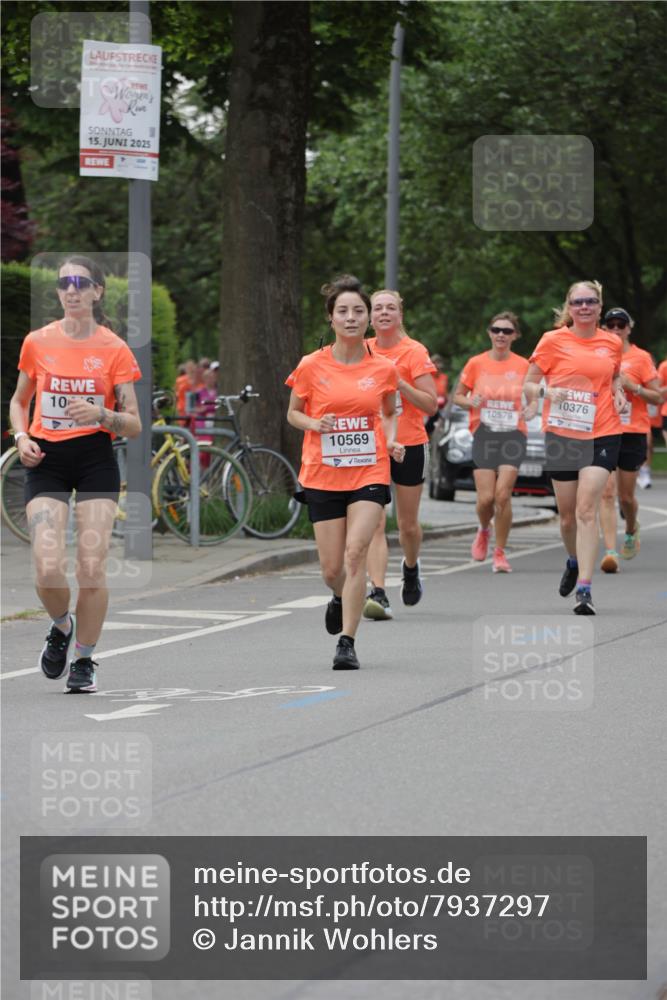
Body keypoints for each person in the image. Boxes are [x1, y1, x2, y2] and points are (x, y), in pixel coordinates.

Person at [8, 256, 142, 692]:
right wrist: (20, 435)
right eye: (64, 282)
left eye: (80, 282)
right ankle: (62, 626)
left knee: (91, 567)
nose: (71, 290)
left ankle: (84, 658)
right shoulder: (37, 341)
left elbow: (135, 423)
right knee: (47, 568)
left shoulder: (114, 348)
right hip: (46, 459)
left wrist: (102, 413)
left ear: (97, 292)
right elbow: (18, 399)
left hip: (94, 460)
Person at [286, 275, 405, 670]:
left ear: (369, 319)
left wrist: (390, 440)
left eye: (358, 311)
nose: (351, 318)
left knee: (357, 553)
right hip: (323, 473)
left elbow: (389, 412)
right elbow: (293, 412)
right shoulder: (310, 365)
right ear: (331, 319)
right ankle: (338, 596)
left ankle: (347, 641)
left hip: (370, 469)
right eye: (343, 312)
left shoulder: (385, 368)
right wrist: (314, 425)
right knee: (332, 568)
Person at [523, 281, 625, 615]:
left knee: (585, 509)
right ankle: (572, 560)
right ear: (569, 307)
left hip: (603, 431)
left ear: (599, 306)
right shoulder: (553, 341)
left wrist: (619, 392)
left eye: (591, 302)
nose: (584, 307)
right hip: (563, 435)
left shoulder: (611, 342)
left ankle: (584, 587)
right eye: (578, 302)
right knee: (566, 516)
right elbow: (528, 382)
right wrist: (544, 395)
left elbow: (613, 376)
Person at [362, 289, 437, 620]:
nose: (383, 313)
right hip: (371, 445)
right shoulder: (361, 349)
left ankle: (410, 566)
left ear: (400, 314)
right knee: (375, 523)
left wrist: (400, 383)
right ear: (370, 315)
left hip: (409, 443)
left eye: (390, 308)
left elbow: (430, 404)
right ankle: (378, 592)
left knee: (407, 525)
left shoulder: (414, 352)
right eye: (378, 308)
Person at [454, 312, 529, 573]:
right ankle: (484, 529)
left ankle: (500, 552)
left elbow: (535, 397)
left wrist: (531, 410)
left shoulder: (524, 365)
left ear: (515, 336)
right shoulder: (476, 363)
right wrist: (470, 401)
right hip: (484, 433)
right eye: (496, 329)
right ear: (489, 332)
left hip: (513, 434)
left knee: (502, 495)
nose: (501, 334)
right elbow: (458, 396)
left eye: (507, 331)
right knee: (486, 499)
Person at [597, 308, 660, 572]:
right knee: (606, 492)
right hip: (603, 429)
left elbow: (658, 398)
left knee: (625, 497)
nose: (614, 329)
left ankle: (631, 527)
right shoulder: (597, 354)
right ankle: (611, 551)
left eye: (620, 325)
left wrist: (632, 386)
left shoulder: (641, 358)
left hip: (632, 431)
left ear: (628, 328)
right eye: (609, 325)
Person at [424, 353, 448, 437]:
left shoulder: (444, 377)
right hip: (430, 406)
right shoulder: (428, 377)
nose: (438, 366)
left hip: (442, 407)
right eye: (435, 363)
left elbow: (445, 393)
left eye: (439, 363)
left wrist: (446, 401)